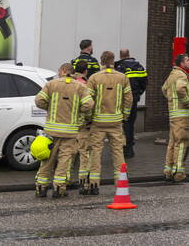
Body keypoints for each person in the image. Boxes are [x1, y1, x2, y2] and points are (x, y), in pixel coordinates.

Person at [34, 63, 94, 198]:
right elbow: (89, 104)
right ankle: (59, 189)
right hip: (69, 132)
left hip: (51, 131)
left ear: (62, 70)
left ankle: (41, 188)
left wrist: (49, 108)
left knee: (47, 160)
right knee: (64, 160)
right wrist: (78, 110)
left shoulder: (51, 84)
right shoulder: (80, 87)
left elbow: (39, 101)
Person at [82, 50, 133, 195]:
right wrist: (125, 116)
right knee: (118, 152)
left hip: (98, 122)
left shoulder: (94, 78)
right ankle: (121, 183)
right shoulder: (122, 78)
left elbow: (88, 101)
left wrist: (88, 117)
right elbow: (129, 99)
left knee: (95, 153)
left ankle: (93, 184)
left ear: (101, 62)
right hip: (116, 122)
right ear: (113, 61)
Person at [162, 53, 189, 183]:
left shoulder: (171, 75)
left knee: (172, 144)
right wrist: (188, 102)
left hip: (173, 114)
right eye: (187, 60)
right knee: (181, 143)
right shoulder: (181, 75)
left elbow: (164, 89)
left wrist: (172, 101)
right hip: (182, 115)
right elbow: (180, 89)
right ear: (181, 63)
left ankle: (168, 172)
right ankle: (179, 174)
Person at [114, 48, 148, 159]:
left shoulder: (119, 67)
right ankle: (129, 149)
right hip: (134, 100)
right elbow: (144, 83)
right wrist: (137, 94)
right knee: (130, 125)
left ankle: (122, 149)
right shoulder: (139, 67)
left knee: (122, 124)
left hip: (122, 100)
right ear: (129, 54)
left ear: (120, 56)